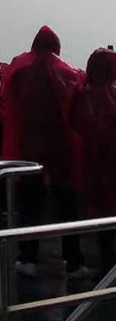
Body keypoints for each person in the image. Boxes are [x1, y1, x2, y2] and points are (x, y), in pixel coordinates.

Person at [2, 26, 86, 278]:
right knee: (67, 206)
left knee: (29, 205)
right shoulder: (69, 73)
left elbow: (10, 109)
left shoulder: (19, 73)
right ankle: (73, 262)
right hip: (60, 149)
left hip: (29, 148)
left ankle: (27, 258)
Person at [71, 49, 116, 275]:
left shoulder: (82, 95)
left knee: (101, 217)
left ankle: (106, 269)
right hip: (110, 164)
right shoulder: (114, 94)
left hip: (90, 164)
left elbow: (76, 127)